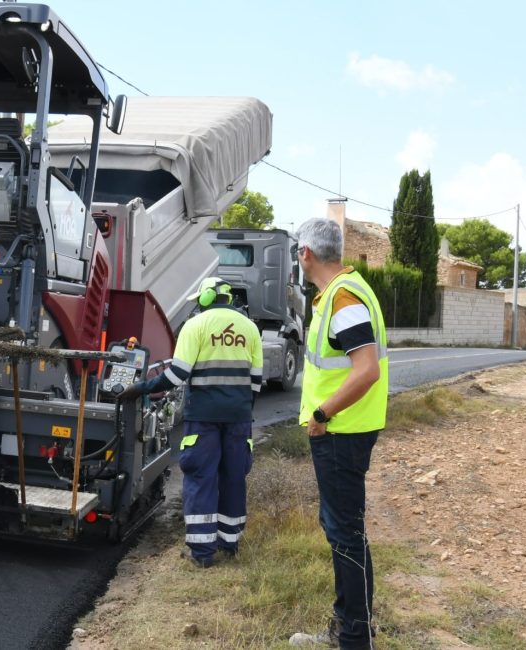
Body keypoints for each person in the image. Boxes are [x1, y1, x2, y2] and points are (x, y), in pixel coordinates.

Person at [291, 218, 389, 650]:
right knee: (341, 528)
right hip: (345, 429)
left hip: (340, 430)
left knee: (344, 531)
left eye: (298, 250)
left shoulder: (344, 297)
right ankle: (348, 626)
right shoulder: (342, 292)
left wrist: (321, 413)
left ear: (306, 253)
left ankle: (353, 636)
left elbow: (366, 370)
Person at [120, 276, 262, 568]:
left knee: (201, 477)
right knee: (233, 478)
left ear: (207, 297)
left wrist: (141, 388)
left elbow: (176, 376)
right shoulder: (250, 328)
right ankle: (229, 543)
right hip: (238, 418)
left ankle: (201, 553)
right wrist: (240, 410)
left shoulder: (195, 326)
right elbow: (256, 383)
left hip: (204, 419)